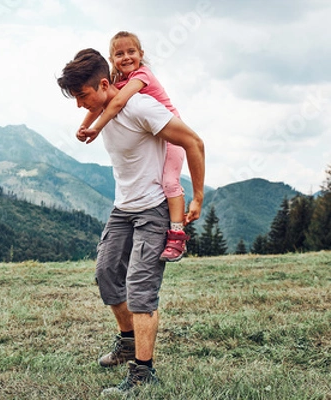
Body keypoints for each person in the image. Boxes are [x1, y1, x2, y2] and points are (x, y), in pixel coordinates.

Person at [57, 48, 205, 395]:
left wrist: (197, 196)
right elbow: (94, 119)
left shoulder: (140, 107)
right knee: (106, 273)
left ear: (105, 84)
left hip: (154, 209)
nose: (80, 105)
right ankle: (127, 341)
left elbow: (194, 142)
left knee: (140, 289)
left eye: (82, 96)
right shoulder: (103, 112)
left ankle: (143, 372)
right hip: (122, 209)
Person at [77, 31, 189, 263]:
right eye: (119, 54)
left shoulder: (142, 75)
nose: (126, 57)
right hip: (152, 134)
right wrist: (83, 126)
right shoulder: (117, 81)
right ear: (111, 59)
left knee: (169, 181)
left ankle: (177, 234)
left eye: (131, 52)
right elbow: (99, 104)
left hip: (170, 131)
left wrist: (96, 129)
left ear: (141, 54)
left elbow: (117, 102)